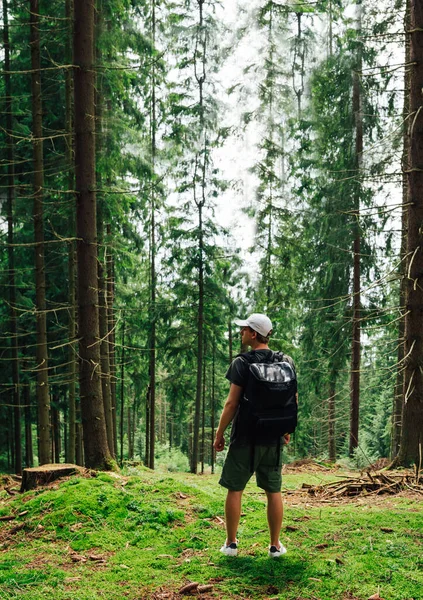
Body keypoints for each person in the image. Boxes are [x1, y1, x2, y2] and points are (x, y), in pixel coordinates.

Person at [213, 313, 297, 558]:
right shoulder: (286, 361)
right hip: (273, 437)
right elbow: (293, 399)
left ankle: (230, 544)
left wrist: (220, 434)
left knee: (235, 489)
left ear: (253, 333)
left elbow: (231, 404)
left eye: (244, 329)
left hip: (246, 437)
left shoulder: (242, 363)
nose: (241, 332)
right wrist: (286, 428)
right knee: (273, 491)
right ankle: (274, 546)